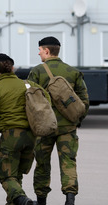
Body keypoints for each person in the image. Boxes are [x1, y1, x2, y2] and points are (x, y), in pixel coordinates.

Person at [27, 37, 89, 205]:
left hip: (45, 126)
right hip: (68, 127)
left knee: (42, 163)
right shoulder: (73, 72)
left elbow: (29, 100)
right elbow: (84, 101)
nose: (38, 52)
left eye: (40, 49)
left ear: (47, 51)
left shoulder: (37, 71)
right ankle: (70, 198)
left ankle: (41, 200)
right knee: (68, 161)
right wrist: (76, 120)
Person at [0, 53, 44, 205]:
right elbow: (45, 99)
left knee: (7, 177)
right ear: (12, 68)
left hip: (11, 137)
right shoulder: (28, 85)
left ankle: (23, 200)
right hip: (31, 136)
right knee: (17, 175)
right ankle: (15, 201)